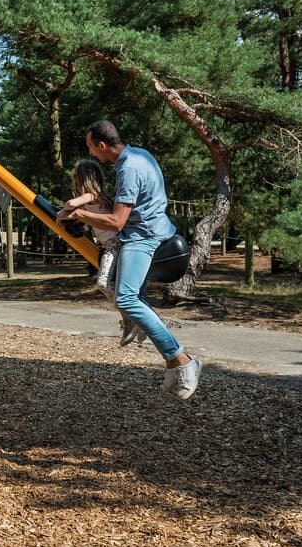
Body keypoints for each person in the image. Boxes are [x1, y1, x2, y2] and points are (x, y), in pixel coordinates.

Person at [60, 120, 201, 401]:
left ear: (102, 145)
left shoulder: (128, 168)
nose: (91, 152)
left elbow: (117, 220)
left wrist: (79, 216)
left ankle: (183, 359)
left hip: (143, 236)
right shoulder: (140, 155)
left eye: (91, 146)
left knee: (125, 298)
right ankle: (172, 363)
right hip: (152, 228)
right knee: (127, 296)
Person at [58, 159, 147, 347]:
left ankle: (130, 318)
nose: (74, 184)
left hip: (113, 245)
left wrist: (62, 213)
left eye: (76, 179)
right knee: (120, 287)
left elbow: (70, 202)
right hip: (112, 245)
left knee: (104, 283)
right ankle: (138, 320)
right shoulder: (98, 200)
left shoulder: (92, 196)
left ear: (83, 180)